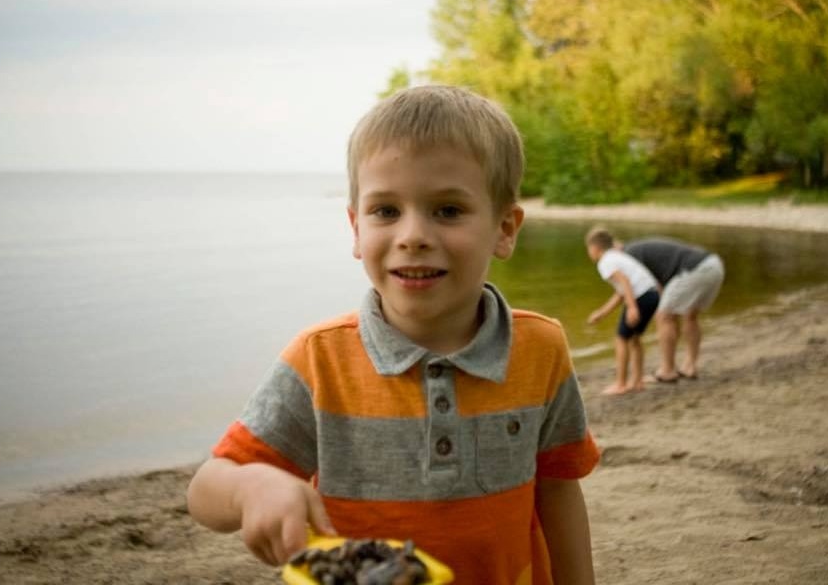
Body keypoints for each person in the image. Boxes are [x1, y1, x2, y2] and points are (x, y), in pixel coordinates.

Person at [186, 85, 600, 584]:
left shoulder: (540, 349)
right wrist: (251, 487)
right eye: (385, 211)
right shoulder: (320, 359)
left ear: (505, 229)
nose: (412, 236)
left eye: (448, 210)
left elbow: (558, 489)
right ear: (355, 229)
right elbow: (206, 490)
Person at [624, 237, 725, 381]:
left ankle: (667, 370)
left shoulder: (628, 256)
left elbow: (654, 288)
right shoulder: (638, 248)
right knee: (690, 316)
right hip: (714, 264)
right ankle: (690, 366)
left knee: (664, 316)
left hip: (693, 270)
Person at [584, 227, 660, 395]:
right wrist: (602, 313)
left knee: (621, 339)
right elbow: (621, 293)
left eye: (588, 248)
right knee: (634, 339)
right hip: (652, 294)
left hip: (641, 296)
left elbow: (625, 282)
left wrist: (632, 307)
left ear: (595, 248)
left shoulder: (605, 262)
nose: (588, 252)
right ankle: (637, 381)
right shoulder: (616, 256)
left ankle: (621, 384)